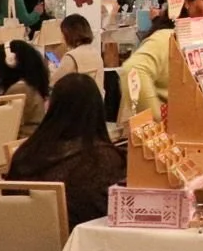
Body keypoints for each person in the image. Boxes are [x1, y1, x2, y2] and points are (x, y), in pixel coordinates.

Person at [8, 73, 123, 223]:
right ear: (97, 110)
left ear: (52, 107)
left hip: (20, 232)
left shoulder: (26, 152)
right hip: (76, 236)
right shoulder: (102, 159)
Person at [120, 0, 203, 120]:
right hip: (174, 129)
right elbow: (132, 70)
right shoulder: (167, 37)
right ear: (187, 2)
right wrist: (156, 116)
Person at [0, 39, 53, 136]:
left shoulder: (18, 90)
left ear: (10, 63)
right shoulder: (30, 85)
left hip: (22, 141)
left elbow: (0, 127)